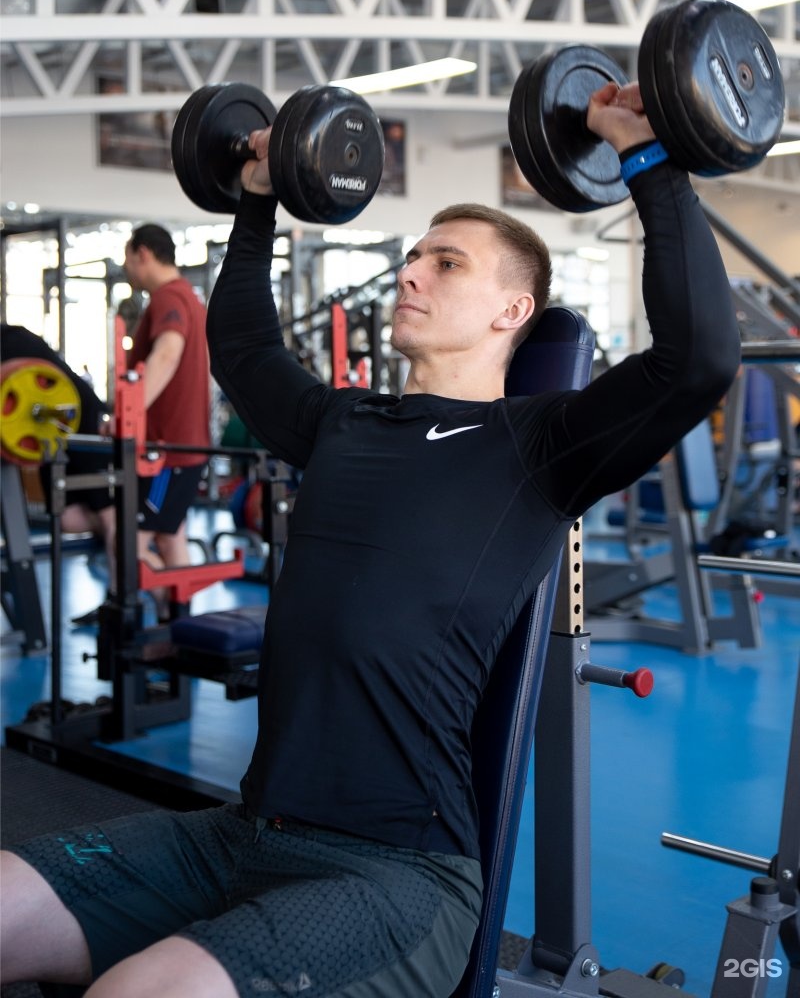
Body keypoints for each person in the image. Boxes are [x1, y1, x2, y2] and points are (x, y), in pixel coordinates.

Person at [0, 81, 741, 998]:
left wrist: (645, 157)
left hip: (396, 873)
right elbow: (243, 347)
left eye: (448, 263)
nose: (411, 271)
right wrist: (260, 190)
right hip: (241, 833)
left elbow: (699, 357)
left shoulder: (542, 446)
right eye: (414, 254)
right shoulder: (343, 422)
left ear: (514, 312)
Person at [73, 224, 211, 625]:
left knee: (128, 541)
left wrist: (124, 418)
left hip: (166, 452)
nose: (127, 267)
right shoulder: (190, 298)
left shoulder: (168, 297)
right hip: (180, 448)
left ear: (144, 254)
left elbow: (168, 353)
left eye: (128, 257)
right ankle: (177, 626)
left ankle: (126, 621)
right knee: (171, 537)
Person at [0, 324, 117, 590]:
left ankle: (119, 598)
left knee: (111, 519)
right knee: (66, 519)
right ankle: (131, 535)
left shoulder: (14, 340)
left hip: (86, 429)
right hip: (50, 439)